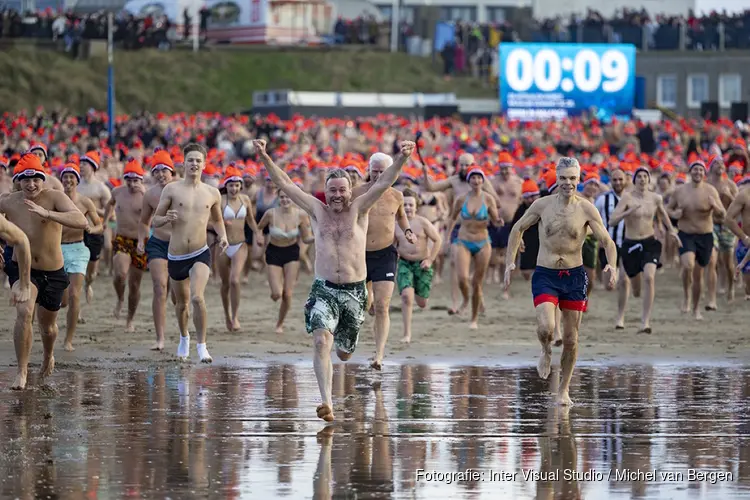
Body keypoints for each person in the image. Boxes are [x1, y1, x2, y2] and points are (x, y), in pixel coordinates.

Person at [253, 138, 414, 422]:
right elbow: (286, 184)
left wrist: (401, 158)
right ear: (324, 192)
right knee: (320, 342)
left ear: (350, 191)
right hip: (324, 289)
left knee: (343, 353)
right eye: (332, 190)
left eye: (342, 190)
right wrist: (265, 156)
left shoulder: (360, 208)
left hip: (354, 291)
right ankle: (326, 402)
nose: (337, 195)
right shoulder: (317, 210)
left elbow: (383, 182)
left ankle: (346, 355)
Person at [504, 157, 618, 406]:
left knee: (571, 339)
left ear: (579, 179)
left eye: (573, 178)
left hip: (575, 277)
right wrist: (510, 262)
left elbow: (607, 240)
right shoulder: (542, 205)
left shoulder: (587, 208)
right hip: (545, 274)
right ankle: (545, 349)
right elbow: (517, 228)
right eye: (564, 178)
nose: (568, 183)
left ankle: (563, 390)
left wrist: (612, 264)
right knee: (546, 328)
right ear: (556, 179)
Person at [0, 154, 87, 390]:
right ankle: (22, 371)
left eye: (36, 179)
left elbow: (81, 221)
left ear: (43, 178)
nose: (31, 185)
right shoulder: (8, 201)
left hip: (53, 271)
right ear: (18, 180)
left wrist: (48, 214)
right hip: (23, 269)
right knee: (24, 311)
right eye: (25, 179)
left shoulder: (55, 197)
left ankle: (48, 355)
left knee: (47, 327)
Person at [152, 143, 229, 363]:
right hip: (176, 255)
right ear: (183, 163)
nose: (194, 163)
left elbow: (217, 219)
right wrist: (166, 218)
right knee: (182, 303)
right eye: (190, 160)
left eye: (198, 160)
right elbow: (155, 220)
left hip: (200, 252)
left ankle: (202, 345)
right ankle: (184, 337)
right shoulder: (172, 189)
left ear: (204, 165)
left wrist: (222, 236)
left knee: (197, 297)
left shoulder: (212, 192)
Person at [352, 152, 416, 371]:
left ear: (392, 173)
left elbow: (400, 216)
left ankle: (378, 355)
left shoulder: (396, 195)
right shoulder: (356, 192)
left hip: (385, 254)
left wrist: (407, 230)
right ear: (368, 169)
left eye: (383, 171)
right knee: (362, 305)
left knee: (383, 305)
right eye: (375, 170)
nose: (378, 175)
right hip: (360, 254)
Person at [607, 167, 681, 333]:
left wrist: (672, 232)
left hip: (649, 242)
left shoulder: (656, 198)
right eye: (638, 176)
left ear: (649, 180)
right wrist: (629, 211)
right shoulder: (627, 198)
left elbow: (663, 215)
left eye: (645, 176)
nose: (642, 179)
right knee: (625, 282)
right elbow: (612, 221)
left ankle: (645, 321)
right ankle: (620, 317)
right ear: (634, 181)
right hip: (630, 243)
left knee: (649, 277)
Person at [667, 160, 726, 319]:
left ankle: (696, 308)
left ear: (704, 173)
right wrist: (674, 214)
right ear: (690, 172)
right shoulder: (680, 191)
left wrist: (715, 206)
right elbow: (668, 209)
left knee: (699, 274)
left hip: (705, 236)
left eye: (701, 170)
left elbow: (722, 214)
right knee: (688, 265)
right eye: (695, 169)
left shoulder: (710, 190)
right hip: (686, 234)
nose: (698, 172)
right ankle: (686, 296)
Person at [447, 168, 502, 328]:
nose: (476, 181)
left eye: (479, 178)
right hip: (463, 240)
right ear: (469, 181)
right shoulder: (461, 199)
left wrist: (498, 222)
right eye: (473, 178)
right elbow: (452, 218)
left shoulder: (488, 199)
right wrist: (447, 238)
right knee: (463, 278)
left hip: (483, 242)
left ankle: (474, 319)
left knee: (477, 283)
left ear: (483, 181)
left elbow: (495, 218)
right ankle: (465, 299)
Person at [59, 163, 103, 351]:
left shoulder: (85, 202)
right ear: (61, 180)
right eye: (65, 177)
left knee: (74, 295)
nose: (68, 180)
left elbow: (99, 225)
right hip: (57, 249)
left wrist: (91, 229)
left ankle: (68, 340)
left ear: (77, 180)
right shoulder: (56, 200)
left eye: (72, 177)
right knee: (62, 301)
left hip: (78, 249)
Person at [257, 188, 314, 333]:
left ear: (293, 199)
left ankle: (279, 324)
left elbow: (306, 238)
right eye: (282, 197)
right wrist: (259, 237)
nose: (285, 200)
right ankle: (274, 291)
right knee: (277, 294)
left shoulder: (301, 215)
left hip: (291, 252)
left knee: (287, 294)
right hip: (274, 252)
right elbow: (259, 228)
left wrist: (318, 237)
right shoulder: (271, 214)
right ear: (278, 199)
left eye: (288, 197)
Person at [137, 149, 177, 350]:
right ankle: (160, 338)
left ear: (172, 172)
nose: (161, 174)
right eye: (157, 171)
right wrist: (141, 239)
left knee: (178, 294)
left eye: (165, 170)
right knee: (159, 288)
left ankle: (183, 333)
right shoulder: (150, 194)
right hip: (158, 243)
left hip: (180, 246)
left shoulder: (182, 190)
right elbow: (144, 222)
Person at [103, 159, 148, 332]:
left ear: (141, 180)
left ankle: (130, 319)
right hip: (122, 238)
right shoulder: (117, 192)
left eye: (136, 180)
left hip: (140, 241)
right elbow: (109, 204)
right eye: (129, 180)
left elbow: (157, 214)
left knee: (135, 284)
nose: (132, 184)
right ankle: (120, 298)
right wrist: (106, 221)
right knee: (120, 275)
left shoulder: (146, 196)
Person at [217, 167, 262, 332]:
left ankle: (235, 316)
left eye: (237, 185)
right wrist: (221, 223)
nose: (234, 188)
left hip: (240, 244)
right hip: (222, 245)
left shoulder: (245, 200)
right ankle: (227, 315)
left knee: (235, 280)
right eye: (231, 185)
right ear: (226, 186)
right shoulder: (220, 200)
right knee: (225, 284)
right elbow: (209, 222)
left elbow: (250, 220)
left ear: (241, 185)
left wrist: (258, 234)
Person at [395, 189, 442, 343]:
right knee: (406, 297)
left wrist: (430, 260)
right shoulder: (396, 224)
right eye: (405, 204)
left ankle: (420, 293)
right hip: (404, 264)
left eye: (411, 205)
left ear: (417, 206)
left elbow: (437, 240)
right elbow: (392, 243)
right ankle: (406, 334)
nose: (408, 207)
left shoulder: (422, 222)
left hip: (422, 265)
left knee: (422, 303)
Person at [594, 169, 628, 328]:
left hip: (628, 243)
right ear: (611, 181)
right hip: (607, 244)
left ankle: (620, 316)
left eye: (620, 179)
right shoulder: (603, 199)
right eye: (615, 180)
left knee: (624, 280)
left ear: (626, 180)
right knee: (609, 286)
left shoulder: (632, 198)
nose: (618, 183)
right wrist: (598, 237)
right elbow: (593, 219)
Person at [77, 150, 111, 303]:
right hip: (77, 231)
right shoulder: (76, 185)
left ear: (93, 167)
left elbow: (111, 212)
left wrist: (91, 209)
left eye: (85, 164)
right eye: (81, 164)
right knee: (77, 270)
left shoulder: (101, 188)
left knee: (91, 273)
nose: (81, 167)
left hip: (94, 231)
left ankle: (88, 285)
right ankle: (77, 298)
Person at [707, 156, 739, 302]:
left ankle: (730, 286)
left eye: (721, 163)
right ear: (711, 167)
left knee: (728, 263)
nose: (719, 165)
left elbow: (741, 205)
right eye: (716, 163)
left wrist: (729, 195)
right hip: (710, 224)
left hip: (726, 226)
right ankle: (715, 287)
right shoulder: (706, 185)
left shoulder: (730, 185)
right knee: (713, 258)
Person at [489, 153, 522, 289]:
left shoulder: (518, 182)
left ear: (511, 168)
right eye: (502, 168)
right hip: (496, 220)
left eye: (507, 168)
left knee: (507, 251)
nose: (504, 171)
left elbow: (521, 201)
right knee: (493, 250)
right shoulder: (493, 181)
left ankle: (505, 278)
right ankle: (493, 271)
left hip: (511, 221)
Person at [724, 176, 750, 300]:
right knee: (749, 287)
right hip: (747, 243)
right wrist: (743, 237)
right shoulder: (744, 195)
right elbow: (729, 219)